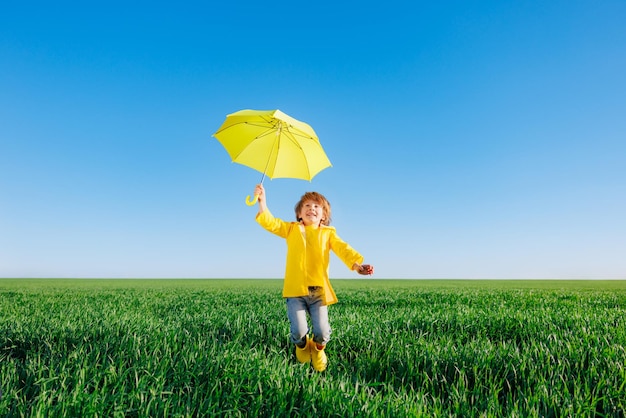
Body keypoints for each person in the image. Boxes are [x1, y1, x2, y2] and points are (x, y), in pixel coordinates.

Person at [253, 184, 374, 372]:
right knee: (299, 331)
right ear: (299, 214)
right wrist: (262, 202)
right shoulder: (291, 229)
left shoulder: (328, 234)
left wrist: (357, 265)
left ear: (324, 216)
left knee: (322, 331)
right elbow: (272, 223)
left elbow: (343, 249)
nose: (312, 209)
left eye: (317, 207)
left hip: (318, 292)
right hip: (295, 291)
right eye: (307, 206)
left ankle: (318, 350)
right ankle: (301, 346)